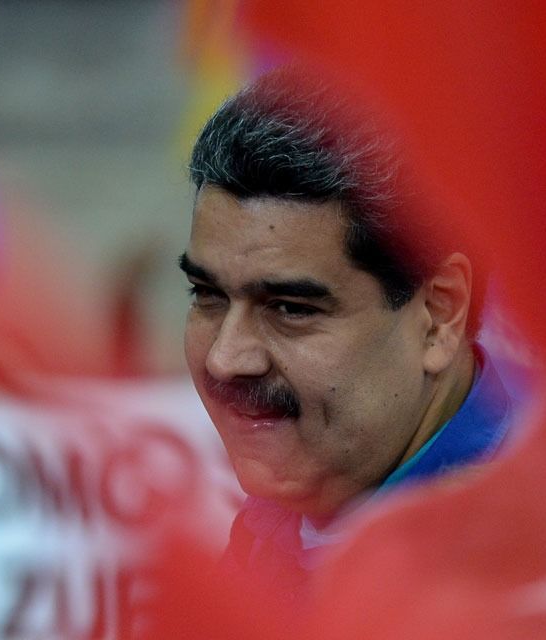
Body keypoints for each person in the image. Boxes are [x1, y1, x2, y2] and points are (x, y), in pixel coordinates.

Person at [179, 67, 526, 601]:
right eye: (207, 295)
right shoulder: (293, 506)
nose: (225, 359)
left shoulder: (541, 579)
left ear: (440, 314)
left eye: (290, 309)